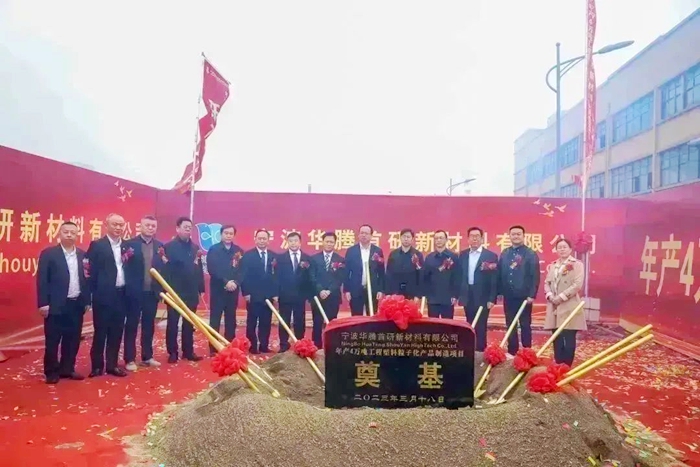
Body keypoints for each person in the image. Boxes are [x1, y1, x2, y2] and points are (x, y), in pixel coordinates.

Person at [36, 222, 90, 383]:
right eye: (66, 232)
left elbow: (86, 279)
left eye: (73, 232)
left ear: (77, 235)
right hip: (55, 304)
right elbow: (42, 280)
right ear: (59, 233)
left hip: (76, 303)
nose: (69, 235)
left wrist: (87, 300)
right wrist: (43, 303)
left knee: (72, 339)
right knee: (53, 340)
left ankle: (67, 368)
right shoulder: (49, 254)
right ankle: (51, 371)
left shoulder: (82, 255)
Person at [86, 214, 129, 377]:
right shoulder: (97, 245)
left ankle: (112, 365)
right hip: (103, 296)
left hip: (122, 294)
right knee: (100, 332)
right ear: (106, 225)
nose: (118, 228)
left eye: (121, 225)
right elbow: (89, 271)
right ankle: (97, 366)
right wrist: (92, 294)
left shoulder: (127, 246)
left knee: (117, 332)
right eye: (115, 224)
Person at [122, 215, 165, 370]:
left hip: (151, 293)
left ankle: (147, 356)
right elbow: (123, 267)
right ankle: (129, 359)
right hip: (134, 292)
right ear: (140, 226)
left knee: (149, 325)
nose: (150, 228)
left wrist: (161, 290)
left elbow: (163, 269)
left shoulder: (160, 246)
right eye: (147, 225)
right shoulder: (129, 244)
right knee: (132, 325)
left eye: (153, 226)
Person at [163, 217, 205, 363]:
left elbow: (199, 269)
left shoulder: (195, 248)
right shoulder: (169, 247)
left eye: (189, 227)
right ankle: (172, 352)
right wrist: (166, 290)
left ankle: (188, 351)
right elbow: (165, 270)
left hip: (191, 291)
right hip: (174, 290)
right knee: (173, 323)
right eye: (185, 226)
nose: (188, 229)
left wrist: (201, 287)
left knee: (189, 323)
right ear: (177, 228)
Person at [497, 224, 541, 355]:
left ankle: (527, 352)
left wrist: (532, 294)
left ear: (523, 236)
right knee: (510, 324)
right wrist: (499, 292)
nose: (516, 236)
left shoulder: (530, 254)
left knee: (525, 325)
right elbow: (500, 273)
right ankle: (512, 351)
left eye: (518, 234)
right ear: (509, 236)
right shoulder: (505, 253)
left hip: (524, 297)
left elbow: (535, 275)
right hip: (508, 296)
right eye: (513, 234)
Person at [544, 238, 586, 366]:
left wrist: (561, 297)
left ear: (570, 249)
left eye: (564, 247)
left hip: (569, 305)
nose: (562, 249)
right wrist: (550, 295)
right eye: (559, 247)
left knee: (568, 338)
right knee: (556, 338)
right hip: (554, 306)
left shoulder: (577, 264)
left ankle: (566, 367)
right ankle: (558, 366)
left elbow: (577, 285)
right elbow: (547, 283)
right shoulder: (553, 265)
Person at [458, 227, 498, 351]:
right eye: (472, 236)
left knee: (481, 324)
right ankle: (470, 350)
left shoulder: (490, 256)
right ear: (468, 239)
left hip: (483, 296)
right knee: (469, 323)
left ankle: (480, 350)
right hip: (467, 294)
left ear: (482, 238)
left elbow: (494, 279)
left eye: (477, 236)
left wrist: (492, 298)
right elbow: (459, 275)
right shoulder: (463, 255)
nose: (474, 239)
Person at [206, 224, 244, 356]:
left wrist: (236, 282)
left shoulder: (238, 251)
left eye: (231, 233)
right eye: (226, 233)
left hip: (233, 291)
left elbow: (242, 270)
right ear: (221, 234)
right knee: (215, 319)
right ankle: (213, 347)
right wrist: (226, 281)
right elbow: (212, 269)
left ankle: (230, 345)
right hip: (218, 290)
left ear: (234, 235)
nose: (228, 236)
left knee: (231, 319)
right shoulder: (214, 249)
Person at [239, 229, 279, 354]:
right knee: (252, 322)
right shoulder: (248, 255)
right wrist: (246, 293)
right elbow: (243, 275)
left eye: (264, 239)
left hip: (268, 295)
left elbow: (276, 277)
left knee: (266, 322)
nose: (262, 241)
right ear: (255, 240)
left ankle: (264, 345)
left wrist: (276, 293)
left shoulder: (273, 256)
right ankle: (252, 346)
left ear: (268, 240)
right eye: (259, 238)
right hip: (253, 294)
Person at [309, 231, 347, 348]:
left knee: (331, 323)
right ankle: (316, 346)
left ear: (335, 243)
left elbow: (340, 278)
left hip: (333, 297)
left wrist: (329, 291)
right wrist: (320, 290)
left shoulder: (340, 260)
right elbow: (312, 277)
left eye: (332, 242)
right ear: (323, 242)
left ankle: (331, 347)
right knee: (317, 323)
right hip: (317, 296)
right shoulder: (314, 259)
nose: (329, 244)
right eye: (327, 241)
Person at [276, 231, 313, 351]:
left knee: (299, 320)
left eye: (296, 241)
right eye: (291, 241)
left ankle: (299, 343)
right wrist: (277, 293)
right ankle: (283, 344)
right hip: (284, 295)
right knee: (284, 320)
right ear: (287, 242)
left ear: (300, 242)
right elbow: (277, 277)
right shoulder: (280, 258)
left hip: (300, 295)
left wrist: (309, 294)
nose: (293, 243)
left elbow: (310, 278)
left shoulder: (307, 258)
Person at [344, 224, 385, 316]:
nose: (364, 235)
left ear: (371, 235)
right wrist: (347, 290)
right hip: (355, 289)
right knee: (356, 317)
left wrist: (380, 290)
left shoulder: (377, 251)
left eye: (366, 233)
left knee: (372, 316)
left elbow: (381, 272)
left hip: (373, 289)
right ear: (358, 235)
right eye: (362, 233)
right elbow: (346, 272)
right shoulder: (351, 251)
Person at [422, 230, 460, 318]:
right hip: (433, 299)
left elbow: (457, 277)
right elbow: (425, 278)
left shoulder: (453, 257)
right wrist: (427, 295)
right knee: (433, 324)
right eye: (436, 238)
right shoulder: (429, 257)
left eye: (441, 238)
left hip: (448, 298)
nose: (438, 240)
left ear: (446, 240)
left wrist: (455, 295)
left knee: (447, 324)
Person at [385, 228, 423, 300]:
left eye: (408, 237)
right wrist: (388, 293)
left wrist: (418, 295)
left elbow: (420, 275)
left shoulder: (418, 255)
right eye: (404, 236)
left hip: (411, 293)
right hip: (395, 293)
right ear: (400, 238)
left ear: (412, 239)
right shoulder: (393, 254)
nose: (406, 239)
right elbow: (389, 274)